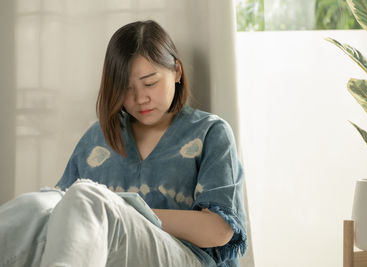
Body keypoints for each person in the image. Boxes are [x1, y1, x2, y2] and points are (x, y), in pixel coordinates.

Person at [0, 20, 247, 267]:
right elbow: (61, 210)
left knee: (88, 198)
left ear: (177, 71)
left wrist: (118, 211)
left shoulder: (210, 132)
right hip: (110, 256)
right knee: (32, 207)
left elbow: (220, 229)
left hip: (190, 259)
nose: (140, 98)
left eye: (150, 83)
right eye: (126, 89)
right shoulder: (97, 139)